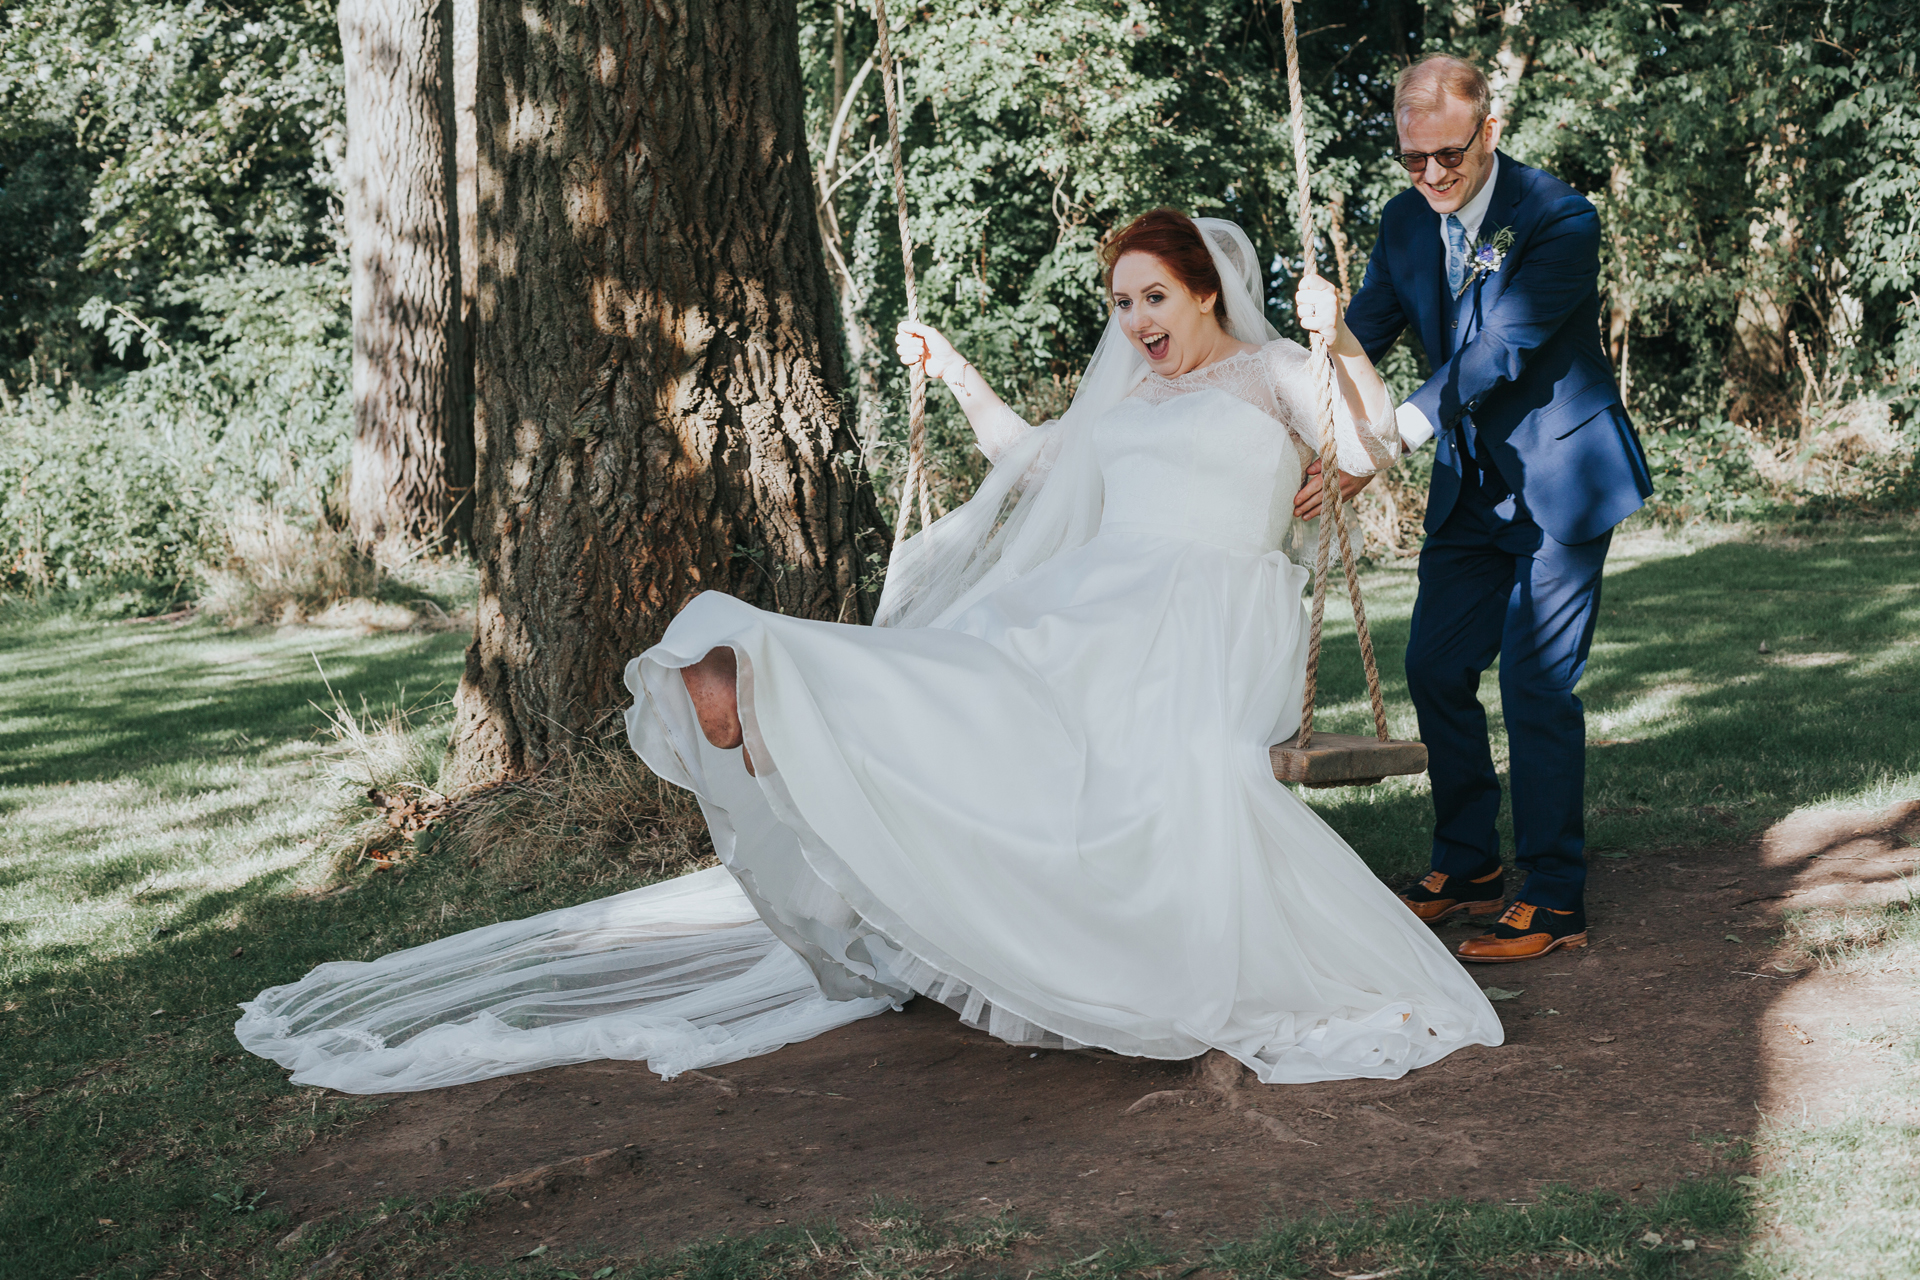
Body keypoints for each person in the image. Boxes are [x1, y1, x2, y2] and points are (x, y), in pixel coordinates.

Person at [235, 213, 1502, 1094]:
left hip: (1212, 618)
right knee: (982, 673)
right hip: (1094, 596)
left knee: (1111, 751)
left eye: (1152, 300)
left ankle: (797, 703)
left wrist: (1338, 334)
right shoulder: (1132, 397)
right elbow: (1025, 462)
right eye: (1120, 306)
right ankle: (773, 685)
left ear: (1207, 290)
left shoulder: (1275, 374)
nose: (1135, 324)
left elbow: (1376, 444)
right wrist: (949, 369)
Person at [1299, 55, 1653, 963]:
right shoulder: (1405, 221)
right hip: (1471, 489)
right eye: (1410, 158)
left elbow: (1502, 349)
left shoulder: (1560, 217)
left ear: (1488, 132)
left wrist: (1389, 444)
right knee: (1435, 667)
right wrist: (1319, 380)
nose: (1429, 177)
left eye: (1446, 157)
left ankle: (1555, 891)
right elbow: (1368, 331)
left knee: (1536, 684)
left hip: (1563, 480)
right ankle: (1469, 863)